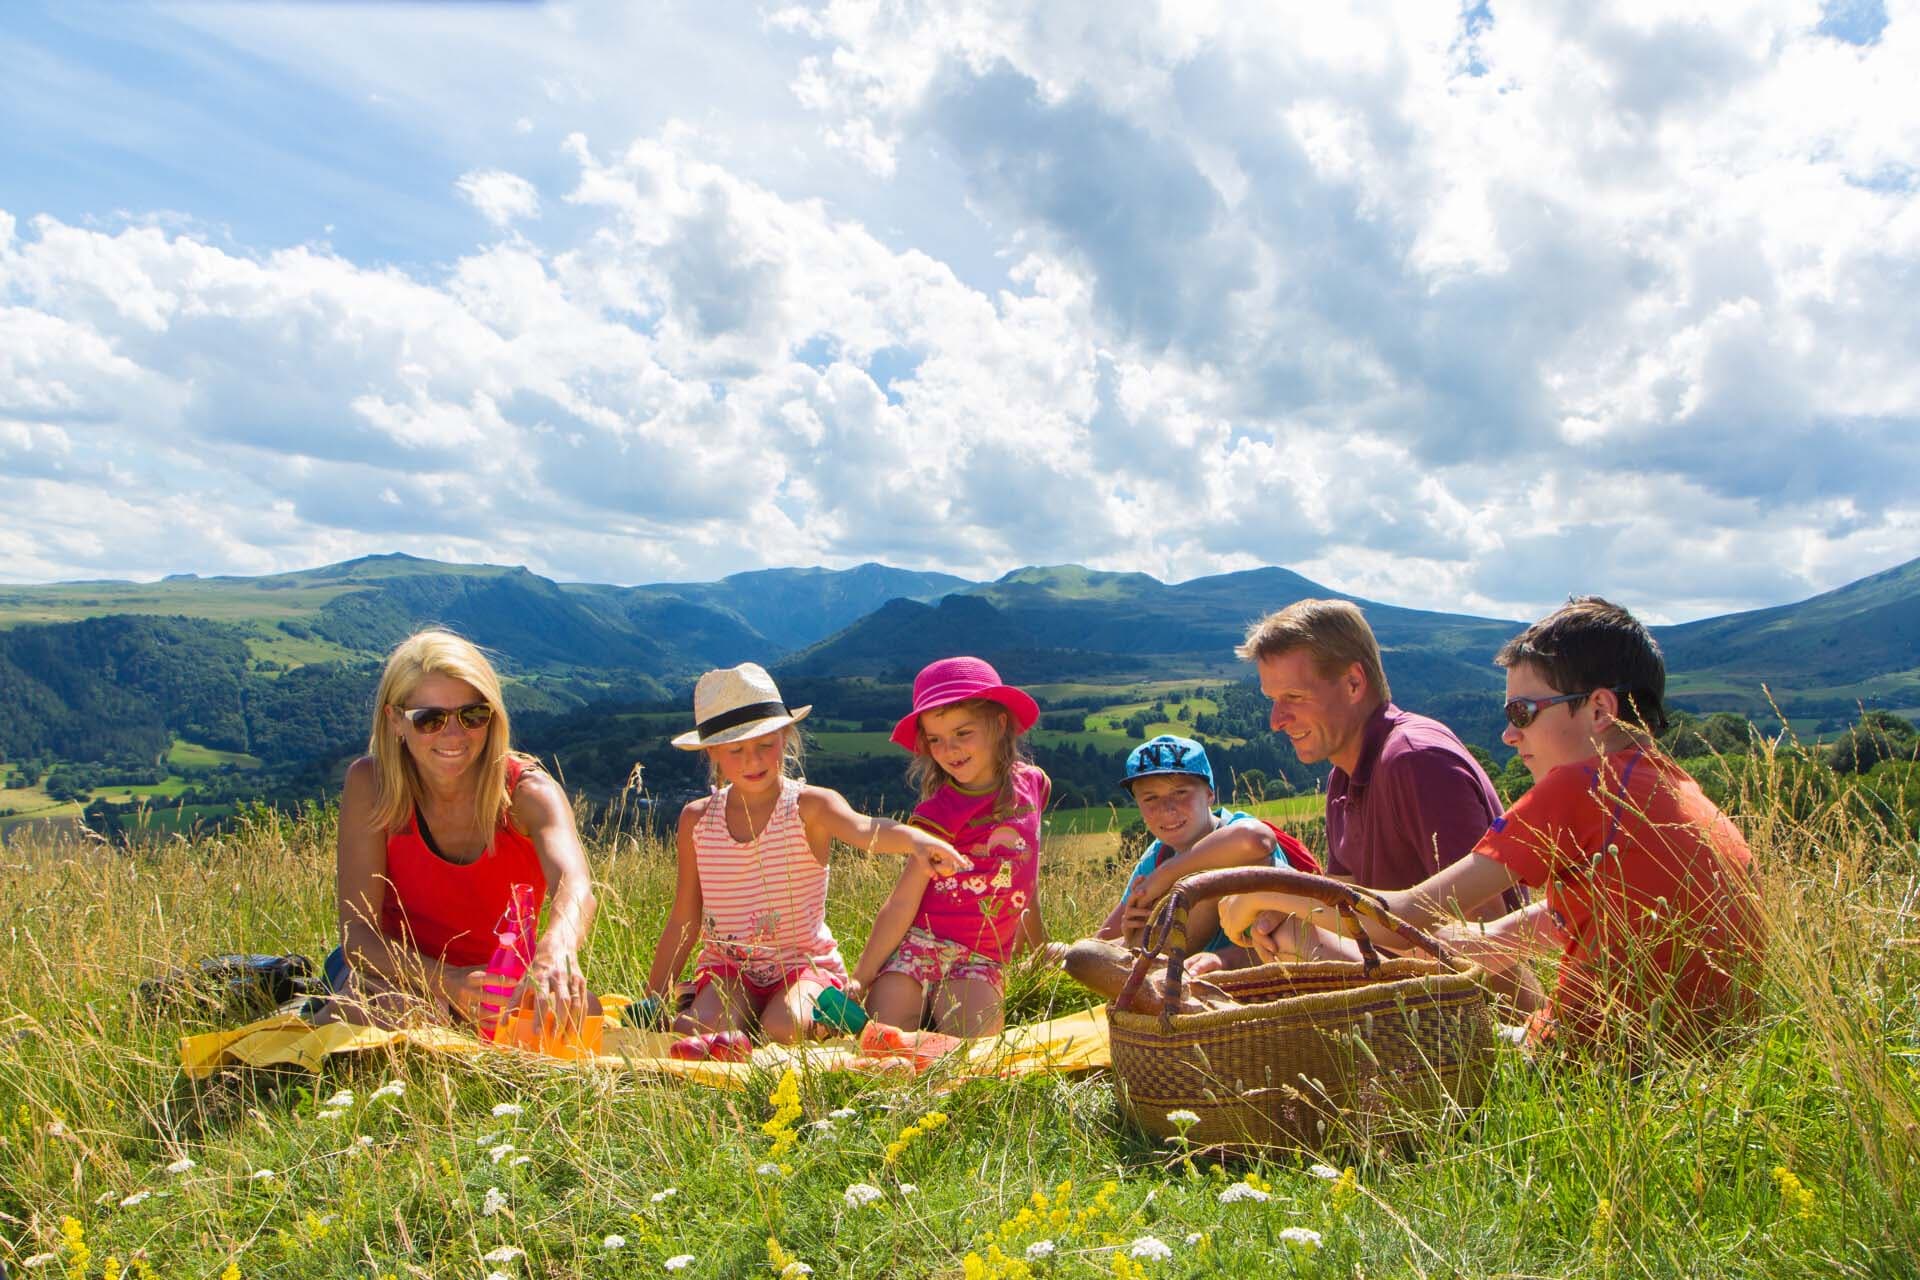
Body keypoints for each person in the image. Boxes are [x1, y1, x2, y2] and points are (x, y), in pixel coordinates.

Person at [1222, 597, 1765, 1055]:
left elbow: (1414, 914)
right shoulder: (1672, 795)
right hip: (1684, 1063)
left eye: (1524, 713)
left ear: (1600, 710)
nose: (1509, 736)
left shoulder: (1582, 787)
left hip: (1587, 1068)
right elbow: (1513, 932)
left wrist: (1265, 890)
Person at [643, 663, 971, 1046]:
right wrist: (653, 994)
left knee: (784, 1028)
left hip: (802, 967)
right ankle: (715, 1013)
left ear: (785, 736)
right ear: (713, 751)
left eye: (766, 744)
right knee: (694, 1031)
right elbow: (685, 915)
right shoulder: (697, 820)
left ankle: (813, 1015)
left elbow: (864, 829)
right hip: (729, 968)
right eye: (737, 750)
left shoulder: (808, 806)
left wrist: (915, 840)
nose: (754, 760)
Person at [326, 630, 598, 1032]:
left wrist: (557, 947)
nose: (453, 735)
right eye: (430, 720)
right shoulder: (371, 784)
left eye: (472, 715)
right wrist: (445, 981)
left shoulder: (529, 793)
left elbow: (575, 884)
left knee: (581, 1014)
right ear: (396, 721)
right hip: (395, 974)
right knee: (403, 1015)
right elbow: (357, 936)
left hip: (492, 986)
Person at [1236, 599, 1511, 904]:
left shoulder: (1416, 761)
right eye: (1273, 699)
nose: (1276, 721)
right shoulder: (1343, 777)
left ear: (1354, 683)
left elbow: (1485, 935)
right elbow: (1342, 914)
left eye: (1294, 696)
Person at [849, 657, 1051, 1038]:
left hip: (980, 956)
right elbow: (902, 903)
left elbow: (1025, 880)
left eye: (963, 732)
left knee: (975, 1056)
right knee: (884, 1039)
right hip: (917, 946)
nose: (950, 749)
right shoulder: (937, 815)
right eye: (936, 739)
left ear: (1000, 722)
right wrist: (861, 977)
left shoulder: (1034, 785)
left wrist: (1040, 953)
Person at [1092, 734, 1319, 972]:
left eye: (1180, 792)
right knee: (1082, 957)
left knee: (1205, 877)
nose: (1167, 809)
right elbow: (1100, 945)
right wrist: (1129, 938)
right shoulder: (1158, 854)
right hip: (1191, 970)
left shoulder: (1235, 831)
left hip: (1282, 969)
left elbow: (1257, 840)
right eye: (1150, 798)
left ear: (1210, 793)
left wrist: (1167, 875)